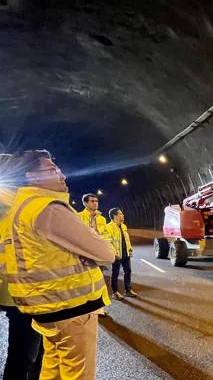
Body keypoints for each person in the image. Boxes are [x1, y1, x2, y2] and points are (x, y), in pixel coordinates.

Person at [3, 149, 115, 380]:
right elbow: (106, 253)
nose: (62, 174)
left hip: (47, 307)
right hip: (71, 308)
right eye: (52, 170)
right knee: (77, 374)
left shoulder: (22, 207)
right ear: (32, 176)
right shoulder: (48, 208)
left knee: (52, 370)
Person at [0, 154, 43, 380]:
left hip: (27, 288)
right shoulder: (8, 199)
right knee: (23, 353)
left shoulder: (18, 198)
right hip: (20, 289)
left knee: (32, 351)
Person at [78, 192, 112, 317]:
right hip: (84, 253)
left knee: (99, 280)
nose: (95, 203)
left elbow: (106, 235)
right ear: (85, 203)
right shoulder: (78, 217)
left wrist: (107, 248)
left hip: (98, 253)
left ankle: (99, 308)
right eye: (92, 201)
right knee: (85, 281)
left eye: (96, 201)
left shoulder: (102, 219)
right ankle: (85, 307)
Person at [106, 207, 137, 300]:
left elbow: (127, 239)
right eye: (120, 214)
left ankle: (128, 290)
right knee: (115, 273)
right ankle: (115, 292)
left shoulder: (124, 226)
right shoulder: (109, 227)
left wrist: (130, 250)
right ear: (114, 216)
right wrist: (114, 254)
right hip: (116, 255)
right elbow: (108, 242)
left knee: (128, 271)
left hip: (125, 253)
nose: (122, 215)